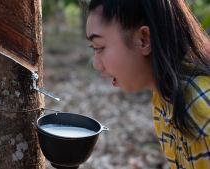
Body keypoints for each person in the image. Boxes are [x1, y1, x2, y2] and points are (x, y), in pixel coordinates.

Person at [83, 0, 210, 168]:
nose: (96, 64)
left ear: (144, 40)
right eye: (94, 49)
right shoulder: (163, 98)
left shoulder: (200, 110)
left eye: (99, 48)